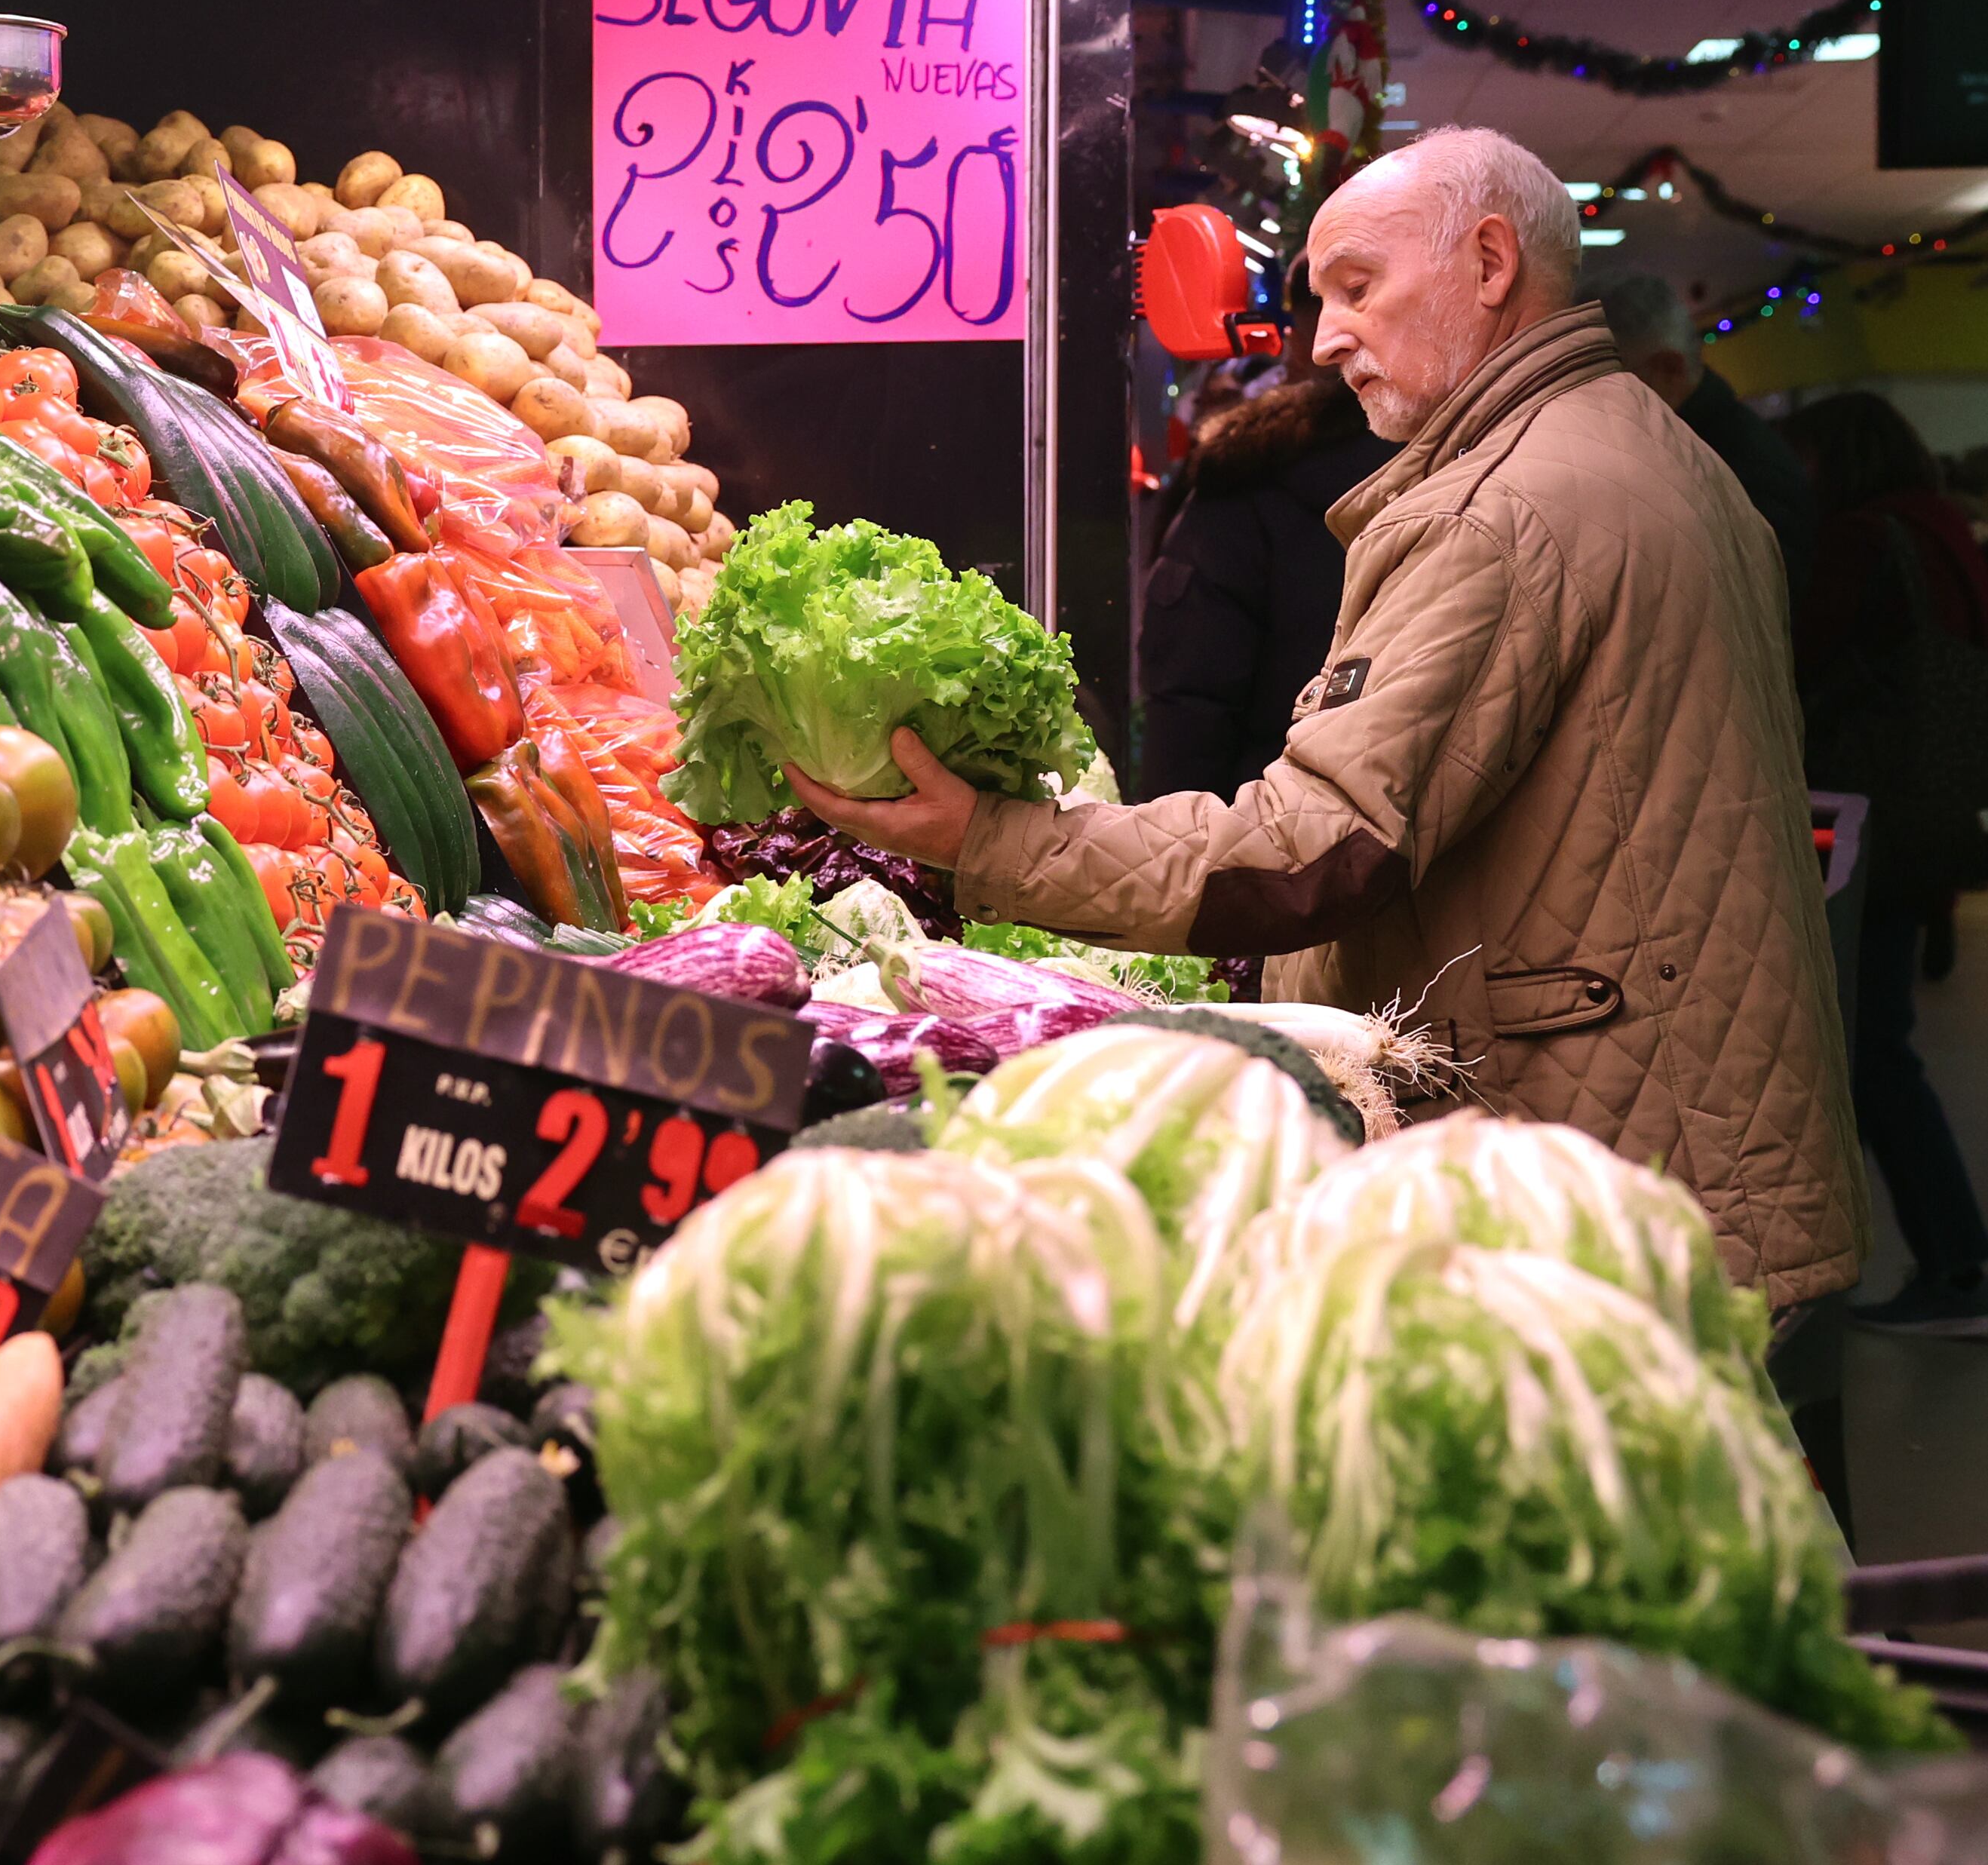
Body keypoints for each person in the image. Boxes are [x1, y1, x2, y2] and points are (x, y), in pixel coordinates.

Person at [792, 127, 1860, 1310]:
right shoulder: (1654, 451)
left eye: (1358, 286)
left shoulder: (1503, 509)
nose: (1326, 337)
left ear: (1491, 260)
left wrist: (987, 839)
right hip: (1691, 1132)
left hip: (1605, 1154)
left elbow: (1323, 843)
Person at [1781, 390, 1988, 1333]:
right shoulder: (1941, 526)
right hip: (1931, 815)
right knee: (1880, 1041)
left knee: (1868, 1051)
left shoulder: (1864, 539)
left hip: (1864, 820)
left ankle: (1954, 1264)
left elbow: (1798, 656)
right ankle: (1953, 1260)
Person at [1136, 357, 1397, 798]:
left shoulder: (1243, 474)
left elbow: (1189, 703)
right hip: (1387, 821)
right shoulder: (1459, 470)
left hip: (1249, 823)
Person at [1603, 272, 1815, 613]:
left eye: (1608, 383)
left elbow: (1767, 608)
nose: (1596, 405)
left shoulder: (1735, 463)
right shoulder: (1708, 446)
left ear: (1668, 367)